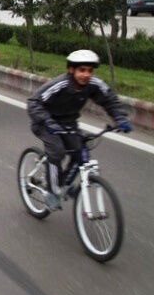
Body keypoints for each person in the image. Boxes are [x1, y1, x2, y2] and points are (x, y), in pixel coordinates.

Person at [27, 50, 131, 209]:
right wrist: (47, 120)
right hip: (45, 122)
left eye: (90, 71)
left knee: (81, 153)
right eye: (82, 70)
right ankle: (52, 192)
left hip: (69, 123)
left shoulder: (93, 84)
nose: (86, 74)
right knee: (57, 151)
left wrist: (120, 118)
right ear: (71, 70)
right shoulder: (59, 84)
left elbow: (110, 99)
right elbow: (34, 102)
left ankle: (62, 183)